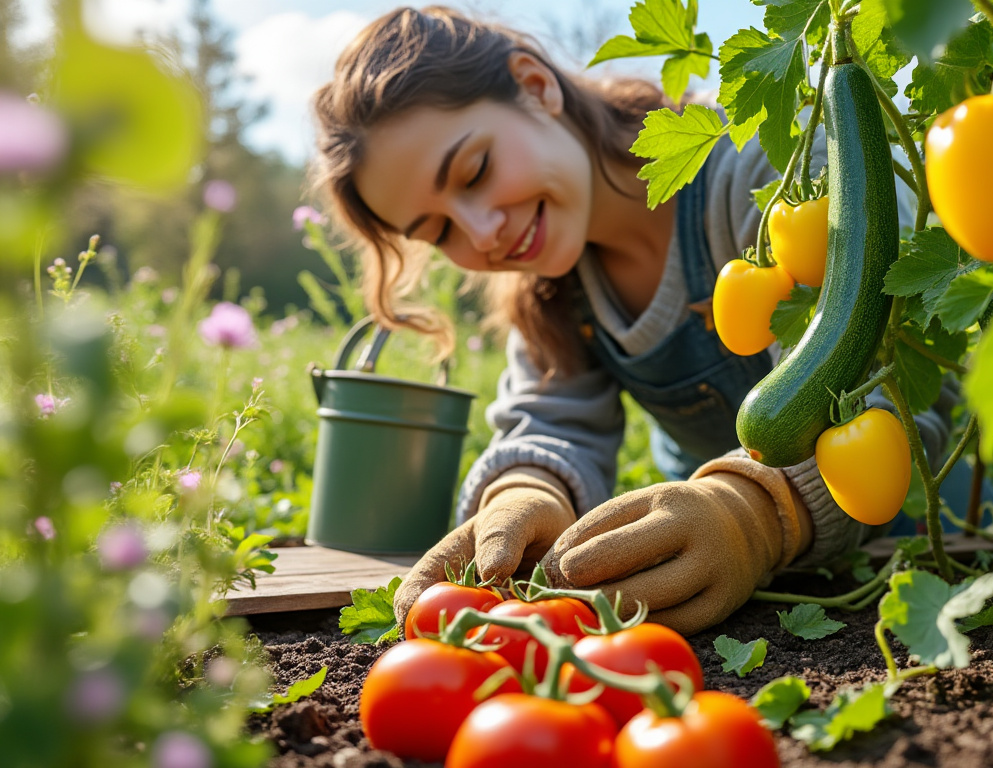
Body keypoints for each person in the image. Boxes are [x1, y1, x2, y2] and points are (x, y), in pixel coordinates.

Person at [309, 5, 943, 636]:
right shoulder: (553, 295)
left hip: (933, 533)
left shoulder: (761, 176)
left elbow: (881, 388)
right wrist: (527, 493)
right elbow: (552, 424)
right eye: (439, 230)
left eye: (475, 170)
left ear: (535, 87)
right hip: (715, 567)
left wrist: (754, 513)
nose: (482, 232)